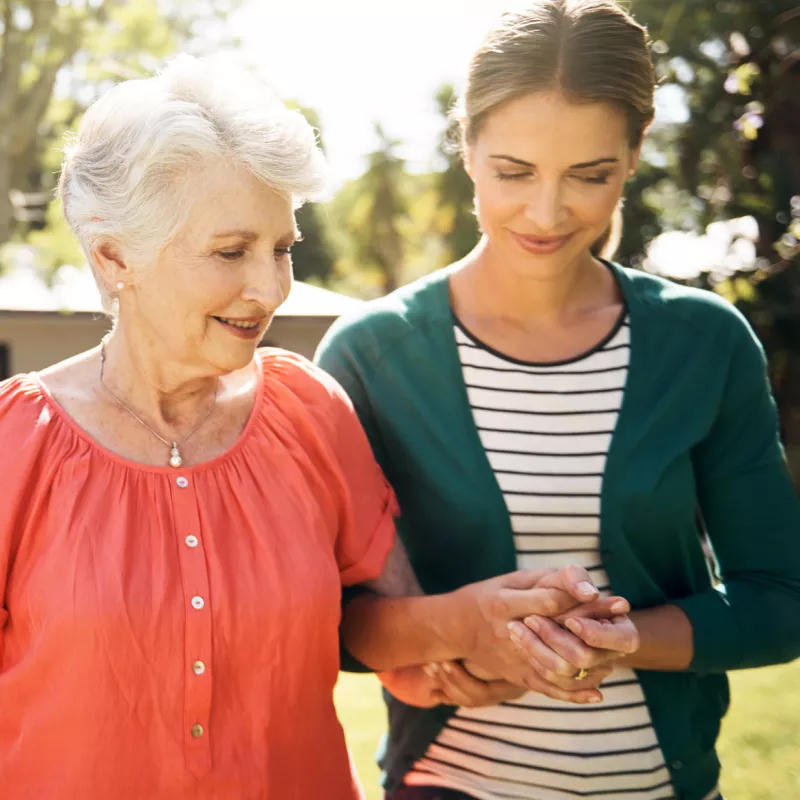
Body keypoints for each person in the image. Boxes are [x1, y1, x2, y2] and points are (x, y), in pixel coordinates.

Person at [0, 56, 636, 800]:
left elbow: (389, 633)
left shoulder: (308, 411)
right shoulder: (17, 442)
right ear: (114, 257)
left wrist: (493, 629)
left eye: (282, 249)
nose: (268, 288)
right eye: (231, 252)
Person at [315, 2, 800, 799]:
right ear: (465, 144)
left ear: (636, 154)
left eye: (590, 175)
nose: (546, 213)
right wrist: (467, 624)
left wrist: (618, 639)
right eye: (513, 172)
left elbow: (778, 603)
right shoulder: (370, 356)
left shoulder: (705, 344)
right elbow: (333, 622)